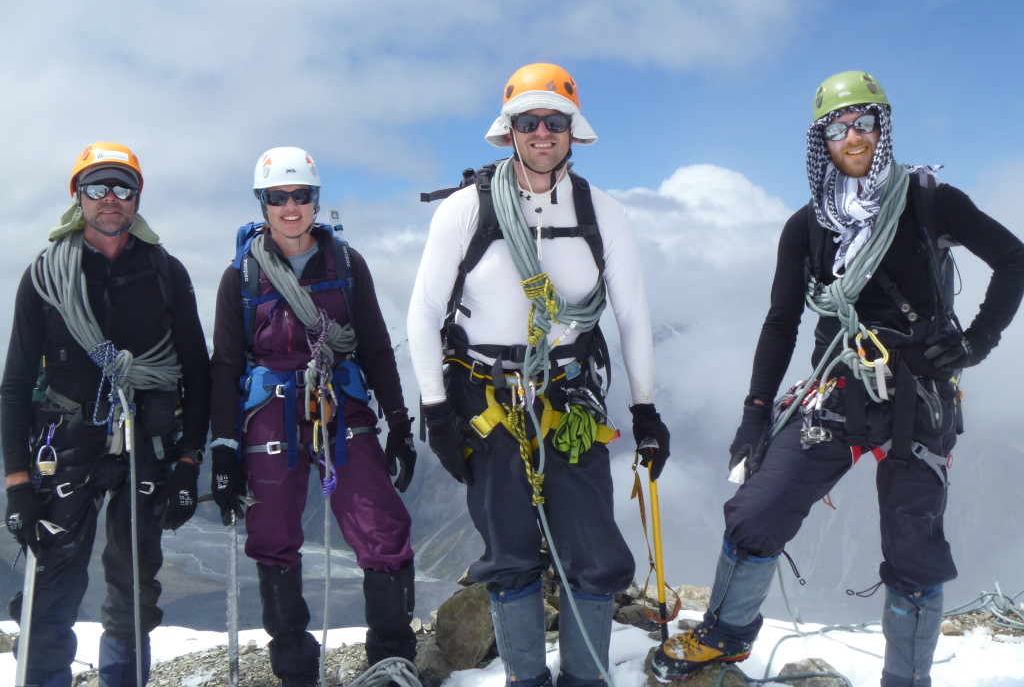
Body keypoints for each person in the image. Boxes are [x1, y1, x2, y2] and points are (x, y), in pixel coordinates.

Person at [651, 71, 1024, 686]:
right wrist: (753, 415)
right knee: (756, 511)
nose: (853, 137)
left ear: (884, 127)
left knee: (914, 555)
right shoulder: (807, 227)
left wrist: (973, 343)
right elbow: (781, 322)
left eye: (865, 122)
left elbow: (1012, 259)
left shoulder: (930, 202)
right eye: (838, 127)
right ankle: (726, 635)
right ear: (820, 139)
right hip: (838, 390)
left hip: (918, 395)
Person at [407, 63, 671, 687]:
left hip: (568, 394)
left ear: (572, 131)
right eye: (530, 121)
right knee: (510, 550)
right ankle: (527, 680)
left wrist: (645, 409)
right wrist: (438, 410)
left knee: (593, 550)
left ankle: (584, 679)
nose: (543, 133)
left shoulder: (604, 214)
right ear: (512, 131)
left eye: (555, 121)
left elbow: (633, 315)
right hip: (484, 394)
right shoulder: (465, 211)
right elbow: (422, 315)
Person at [1, 142, 212, 687]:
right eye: (97, 187)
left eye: (123, 187)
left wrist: (189, 462)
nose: (111, 198)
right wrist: (18, 484)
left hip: (148, 438)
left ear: (138, 197)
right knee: (53, 576)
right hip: (67, 442)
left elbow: (196, 370)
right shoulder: (46, 277)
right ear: (78, 196)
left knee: (135, 575)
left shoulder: (166, 273)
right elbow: (16, 385)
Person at [208, 146, 418, 687]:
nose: (291, 207)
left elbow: (373, 345)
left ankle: (392, 659)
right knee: (273, 534)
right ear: (263, 204)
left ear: (315, 200)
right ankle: (296, 671)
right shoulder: (242, 277)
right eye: (278, 197)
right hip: (271, 411)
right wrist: (224, 448)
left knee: (381, 526)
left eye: (300, 195)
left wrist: (398, 421)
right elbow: (226, 362)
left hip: (338, 404)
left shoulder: (347, 266)